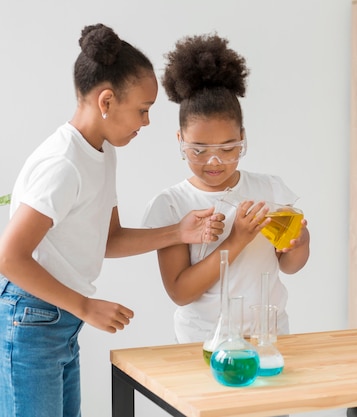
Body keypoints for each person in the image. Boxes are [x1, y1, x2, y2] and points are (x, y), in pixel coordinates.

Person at [0, 24, 222, 417]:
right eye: (143, 110)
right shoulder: (63, 164)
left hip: (56, 321)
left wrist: (177, 231)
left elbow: (108, 238)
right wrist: (85, 306)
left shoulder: (100, 152)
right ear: (106, 101)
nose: (147, 122)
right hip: (32, 318)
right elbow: (9, 258)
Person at [142, 33, 310, 344]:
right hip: (205, 343)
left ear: (243, 138)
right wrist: (237, 239)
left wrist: (298, 244)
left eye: (229, 148)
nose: (215, 161)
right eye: (200, 149)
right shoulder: (171, 204)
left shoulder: (268, 188)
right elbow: (180, 292)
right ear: (180, 141)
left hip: (270, 338)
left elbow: (290, 266)